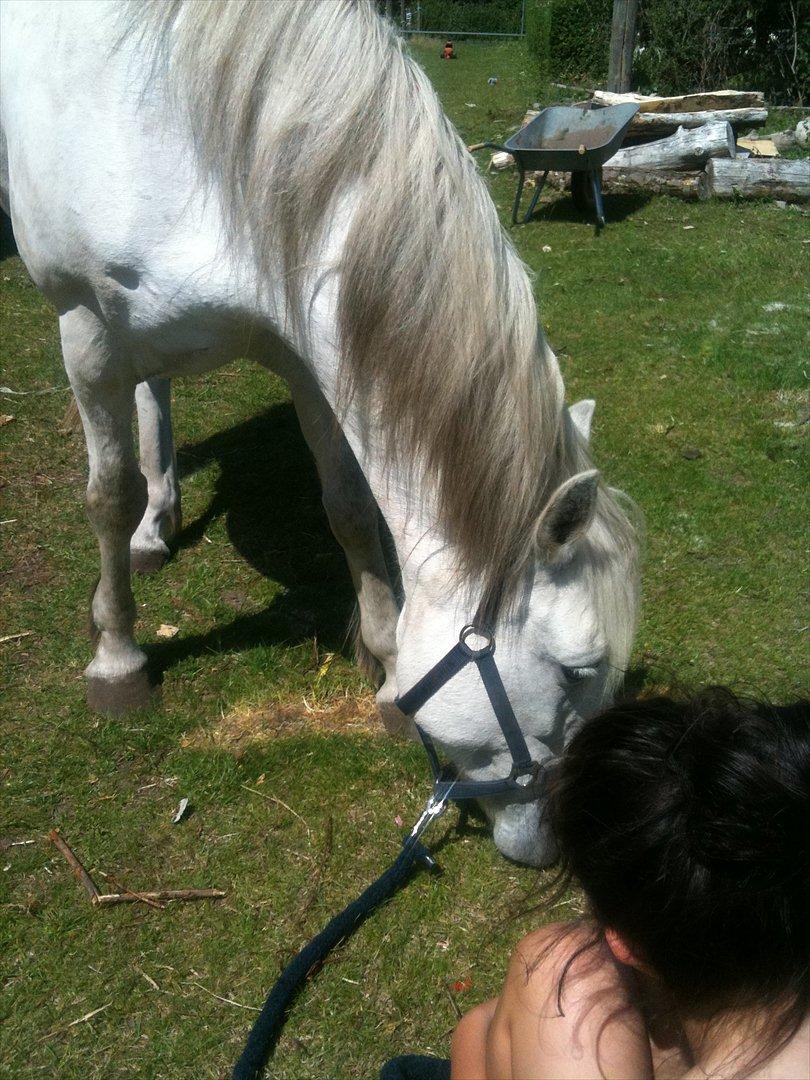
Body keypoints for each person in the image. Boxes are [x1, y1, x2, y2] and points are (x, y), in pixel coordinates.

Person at [449, 688, 809, 1078]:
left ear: (626, 945)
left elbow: (490, 1021)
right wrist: (475, 1026)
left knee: (556, 964)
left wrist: (475, 1032)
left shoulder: (566, 975)